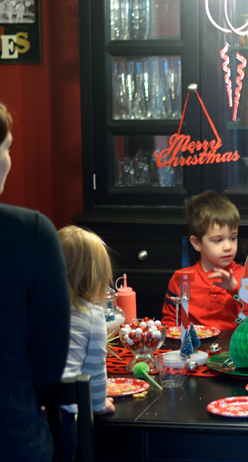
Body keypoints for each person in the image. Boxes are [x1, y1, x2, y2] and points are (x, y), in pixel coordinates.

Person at [0, 102, 71, 461]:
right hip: (11, 435)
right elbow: (49, 363)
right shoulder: (30, 232)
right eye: (7, 147)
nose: (9, 158)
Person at [58, 226, 116, 461]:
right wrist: (100, 405)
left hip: (30, 411)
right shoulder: (92, 315)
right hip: (64, 416)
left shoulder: (38, 307)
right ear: (96, 278)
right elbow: (94, 371)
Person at [162, 190, 244, 330]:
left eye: (233, 238)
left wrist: (235, 289)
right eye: (218, 240)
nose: (228, 246)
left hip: (236, 348)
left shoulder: (247, 276)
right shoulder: (181, 279)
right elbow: (170, 323)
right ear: (196, 243)